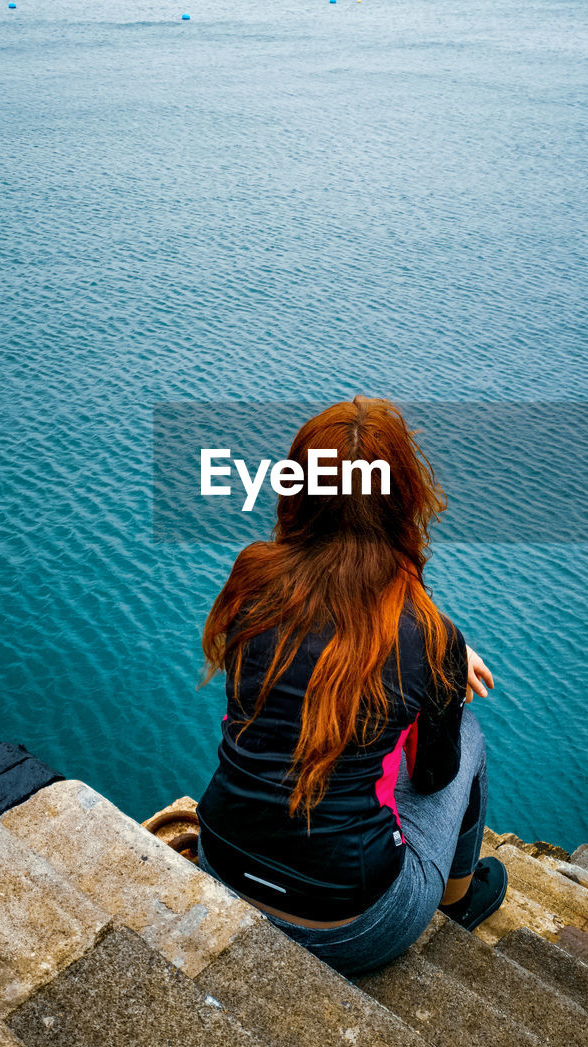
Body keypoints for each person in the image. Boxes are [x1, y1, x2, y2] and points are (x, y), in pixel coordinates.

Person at [196, 396, 507, 976]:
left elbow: (316, 654)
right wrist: (442, 659)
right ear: (404, 503)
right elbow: (433, 774)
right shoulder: (427, 638)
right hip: (352, 926)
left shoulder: (250, 583)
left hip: (222, 863)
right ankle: (458, 903)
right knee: (466, 735)